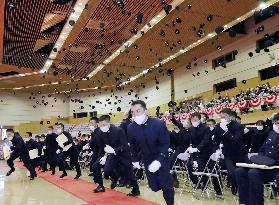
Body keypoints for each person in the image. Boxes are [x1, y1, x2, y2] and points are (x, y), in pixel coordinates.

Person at [128, 100, 174, 205]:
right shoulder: (131, 128)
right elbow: (133, 145)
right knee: (154, 187)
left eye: (138, 111)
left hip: (161, 157)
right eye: (133, 112)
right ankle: (171, 177)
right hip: (147, 158)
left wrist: (159, 160)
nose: (135, 114)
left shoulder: (158, 124)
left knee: (165, 185)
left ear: (145, 111)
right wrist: (135, 159)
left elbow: (165, 144)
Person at [235, 113, 279, 205]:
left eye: (278, 123)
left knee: (253, 172)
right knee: (239, 171)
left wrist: (267, 162)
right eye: (275, 123)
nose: (276, 125)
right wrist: (259, 160)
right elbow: (262, 150)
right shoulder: (272, 134)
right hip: (264, 165)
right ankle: (245, 202)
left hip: (275, 168)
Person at [91, 115, 140, 196]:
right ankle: (115, 177)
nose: (101, 127)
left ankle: (136, 190)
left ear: (108, 123)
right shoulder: (100, 132)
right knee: (107, 170)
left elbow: (124, 146)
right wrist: (103, 157)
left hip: (124, 154)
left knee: (129, 174)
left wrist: (114, 150)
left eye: (103, 125)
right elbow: (102, 146)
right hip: (112, 155)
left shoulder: (118, 130)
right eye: (100, 125)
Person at [214, 108, 248, 195]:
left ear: (230, 116)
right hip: (228, 153)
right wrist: (218, 148)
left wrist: (226, 131)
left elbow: (236, 140)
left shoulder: (238, 126)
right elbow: (217, 140)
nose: (222, 119)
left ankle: (243, 188)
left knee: (244, 172)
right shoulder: (218, 126)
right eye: (221, 117)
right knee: (232, 173)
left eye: (224, 116)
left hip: (240, 153)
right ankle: (234, 185)